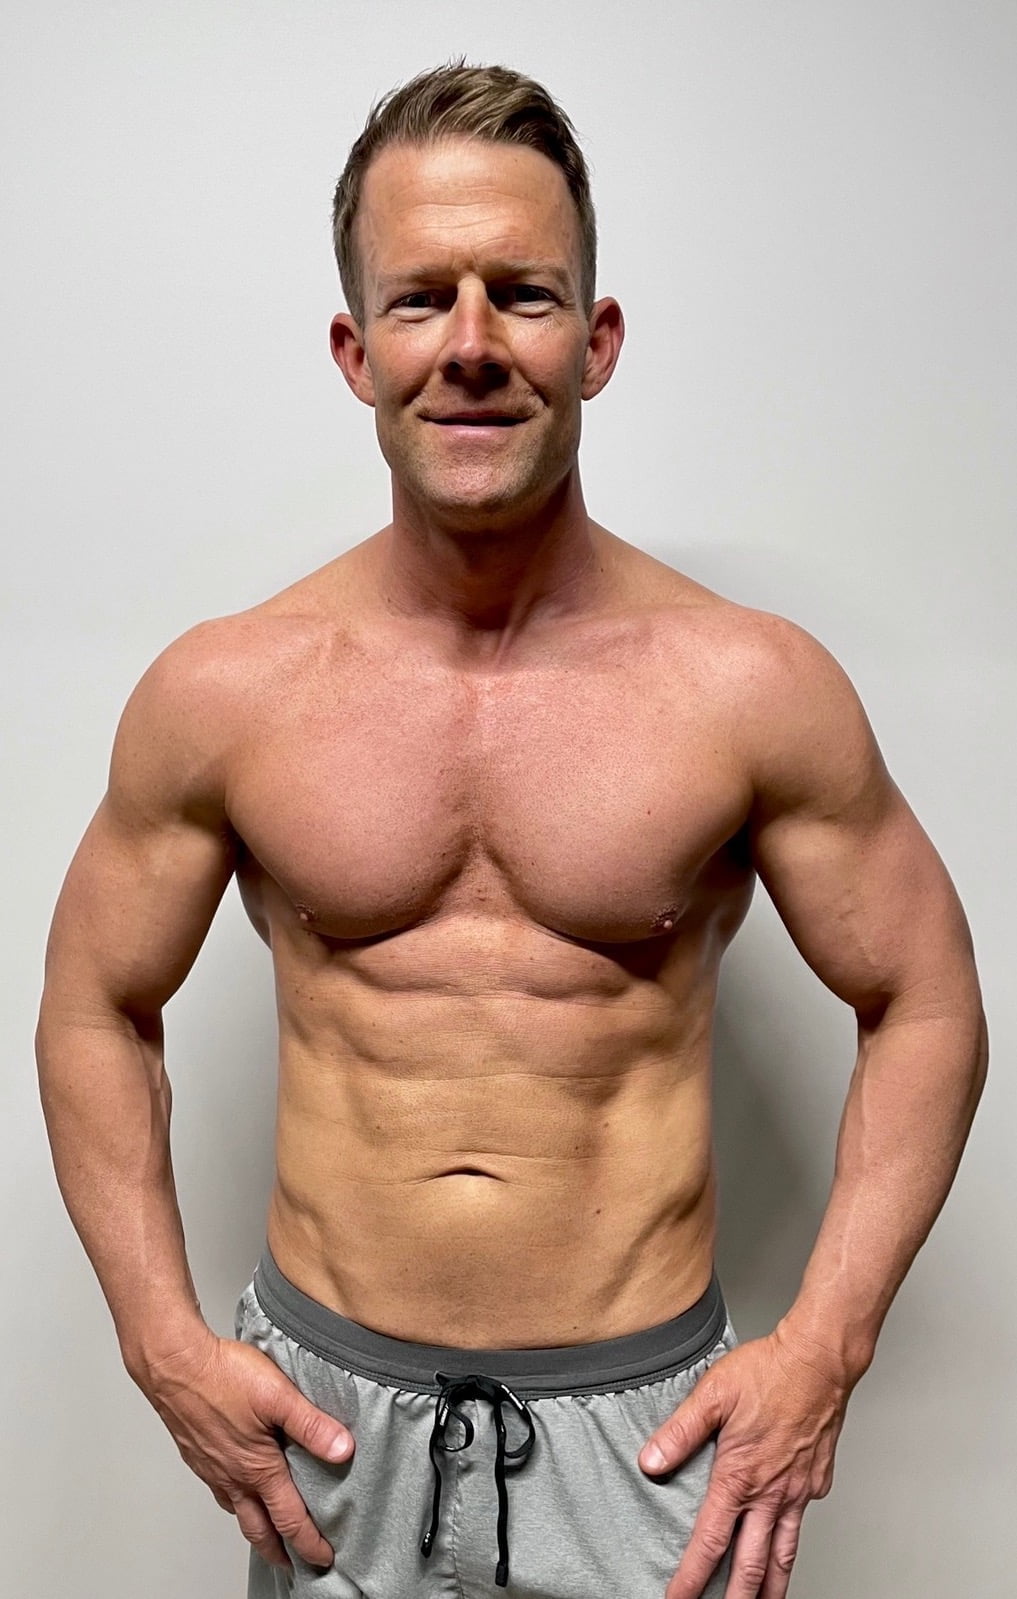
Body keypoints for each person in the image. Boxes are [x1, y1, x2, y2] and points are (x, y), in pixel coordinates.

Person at [36, 61, 987, 1599]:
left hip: (652, 1441)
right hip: (329, 1431)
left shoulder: (750, 685)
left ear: (595, 340)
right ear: (354, 350)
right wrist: (160, 1342)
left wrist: (826, 1343)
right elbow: (92, 1002)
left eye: (522, 294)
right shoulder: (228, 690)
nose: (470, 347)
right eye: (420, 301)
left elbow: (925, 997)